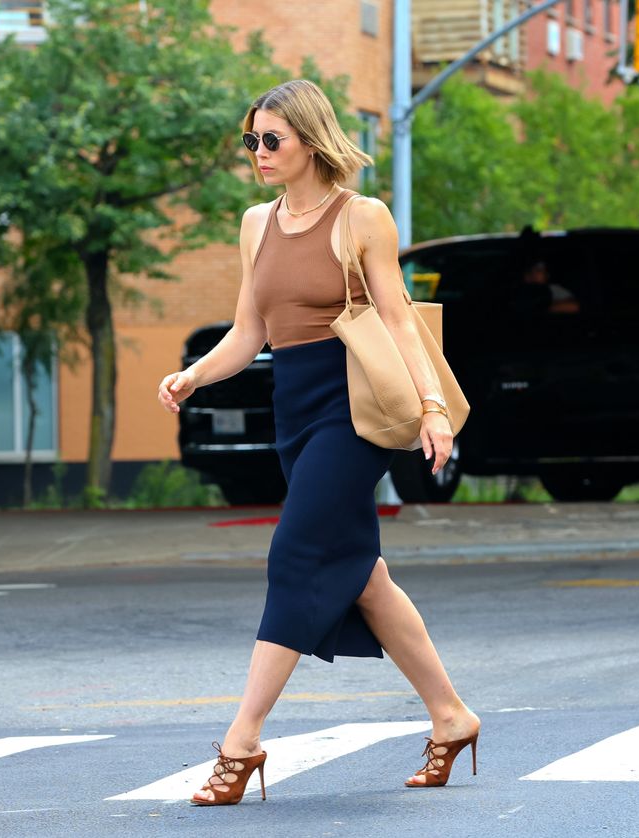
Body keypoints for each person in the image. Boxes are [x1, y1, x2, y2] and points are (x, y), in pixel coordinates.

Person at [156, 79, 481, 806]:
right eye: (251, 141)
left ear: (310, 139)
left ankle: (241, 741)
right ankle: (452, 717)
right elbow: (249, 332)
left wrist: (432, 407)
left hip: (354, 407)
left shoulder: (360, 217)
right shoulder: (254, 223)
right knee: (362, 574)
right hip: (293, 409)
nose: (259, 153)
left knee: (296, 552)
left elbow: (399, 321)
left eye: (272, 140)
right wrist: (195, 376)